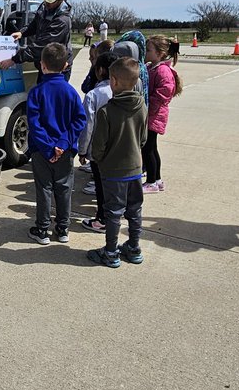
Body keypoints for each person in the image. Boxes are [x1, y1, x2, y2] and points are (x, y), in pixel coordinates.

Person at [25, 42, 87, 245]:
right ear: (66, 66)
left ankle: (42, 230)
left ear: (42, 65)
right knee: (64, 188)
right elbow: (79, 120)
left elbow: (34, 125)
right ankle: (62, 228)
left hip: (41, 151)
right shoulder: (70, 92)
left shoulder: (36, 92)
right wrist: (62, 143)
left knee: (44, 188)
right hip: (66, 150)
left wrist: (48, 147)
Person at [88, 57, 147, 267]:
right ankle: (133, 246)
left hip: (113, 171)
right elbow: (143, 138)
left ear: (113, 81)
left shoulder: (107, 111)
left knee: (113, 212)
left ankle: (111, 251)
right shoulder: (142, 105)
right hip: (135, 168)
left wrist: (100, 161)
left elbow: (99, 146)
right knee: (135, 209)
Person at [0, 0, 73, 80]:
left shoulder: (62, 20)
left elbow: (41, 46)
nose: (46, 2)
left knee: (52, 94)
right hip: (45, 64)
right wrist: (22, 33)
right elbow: (35, 24)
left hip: (58, 67)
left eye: (50, 0)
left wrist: (14, 60)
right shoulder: (44, 7)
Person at [79, 51, 117, 233]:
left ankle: (101, 219)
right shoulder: (123, 91)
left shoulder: (93, 95)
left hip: (98, 150)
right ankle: (115, 214)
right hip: (118, 148)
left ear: (100, 70)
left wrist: (83, 150)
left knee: (101, 186)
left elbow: (88, 126)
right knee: (114, 185)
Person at [142, 34, 183, 194]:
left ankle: (151, 181)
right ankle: (157, 179)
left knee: (148, 149)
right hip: (151, 115)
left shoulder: (163, 71)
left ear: (160, 53)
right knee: (152, 148)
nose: (146, 52)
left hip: (154, 116)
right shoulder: (151, 67)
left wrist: (147, 106)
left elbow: (163, 94)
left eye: (149, 50)